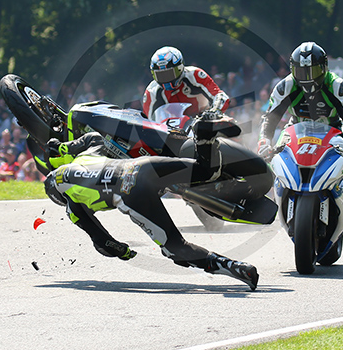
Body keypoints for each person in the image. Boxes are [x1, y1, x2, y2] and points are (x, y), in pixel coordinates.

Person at [41, 114, 259, 290]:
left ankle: (233, 267)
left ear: (57, 196)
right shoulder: (82, 158)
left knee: (175, 249)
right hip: (141, 167)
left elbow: (103, 242)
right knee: (205, 170)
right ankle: (203, 135)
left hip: (131, 193)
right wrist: (65, 148)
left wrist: (124, 251)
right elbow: (94, 138)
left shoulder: (72, 205)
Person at [257, 42, 343, 218]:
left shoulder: (337, 86)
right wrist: (265, 141)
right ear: (292, 69)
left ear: (324, 68)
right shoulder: (285, 86)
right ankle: (267, 196)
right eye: (302, 72)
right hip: (296, 129)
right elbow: (270, 118)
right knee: (266, 157)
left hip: (333, 129)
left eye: (313, 71)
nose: (307, 77)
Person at [142, 46, 230, 120]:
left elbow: (220, 96)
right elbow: (147, 123)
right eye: (161, 75)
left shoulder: (195, 75)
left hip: (204, 123)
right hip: (171, 133)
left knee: (228, 124)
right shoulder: (151, 91)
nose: (166, 79)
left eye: (169, 74)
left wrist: (215, 111)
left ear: (180, 68)